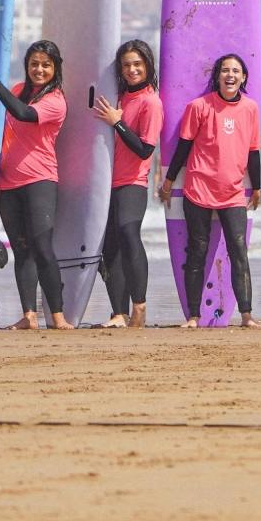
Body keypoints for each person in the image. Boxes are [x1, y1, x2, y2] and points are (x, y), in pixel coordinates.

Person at [159, 53, 261, 329]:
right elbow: (183, 146)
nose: (230, 75)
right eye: (225, 71)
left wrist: (258, 187)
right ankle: (193, 316)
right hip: (199, 188)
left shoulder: (251, 109)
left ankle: (246, 314)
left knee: (239, 251)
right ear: (217, 76)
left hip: (232, 193)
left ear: (243, 77)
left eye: (236, 71)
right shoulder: (199, 106)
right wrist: (169, 180)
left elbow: (253, 151)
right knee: (197, 250)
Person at [0, 40, 71, 331]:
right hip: (8, 182)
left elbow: (23, 114)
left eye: (45, 64)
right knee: (22, 249)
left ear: (55, 68)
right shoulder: (17, 90)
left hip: (39, 180)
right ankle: (29, 316)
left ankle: (57, 316)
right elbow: (1, 113)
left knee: (43, 249)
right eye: (34, 64)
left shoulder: (55, 100)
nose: (39, 69)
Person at [93, 39, 161, 329]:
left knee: (128, 233)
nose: (132, 69)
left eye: (137, 64)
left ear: (147, 65)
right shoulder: (117, 97)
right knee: (109, 246)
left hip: (133, 181)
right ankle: (118, 313)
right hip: (105, 182)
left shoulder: (151, 102)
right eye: (126, 65)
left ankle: (140, 306)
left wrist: (117, 123)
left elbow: (146, 149)